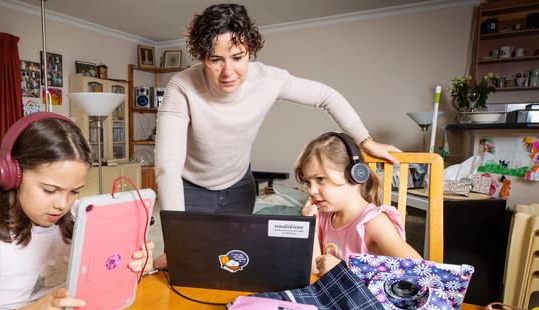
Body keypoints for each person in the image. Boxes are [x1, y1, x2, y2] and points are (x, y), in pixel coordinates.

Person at [155, 3, 400, 216]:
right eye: (216, 59)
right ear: (202, 57)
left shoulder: (267, 80)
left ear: (250, 50)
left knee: (234, 261)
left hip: (239, 186)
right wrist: (174, 231)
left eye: (238, 57)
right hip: (191, 189)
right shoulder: (182, 87)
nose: (228, 71)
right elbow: (168, 167)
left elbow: (327, 96)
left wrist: (366, 141)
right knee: (187, 262)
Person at [0, 112, 154, 310]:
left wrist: (131, 267)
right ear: (12, 175)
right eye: (50, 190)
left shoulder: (78, 222)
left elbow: (96, 288)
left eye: (74, 191)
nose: (62, 204)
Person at [295, 132, 421, 276]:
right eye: (308, 182)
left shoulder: (374, 222)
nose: (311, 190)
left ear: (353, 174)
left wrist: (345, 270)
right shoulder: (322, 217)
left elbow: (418, 271)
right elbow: (314, 272)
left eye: (320, 179)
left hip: (364, 298)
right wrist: (311, 225)